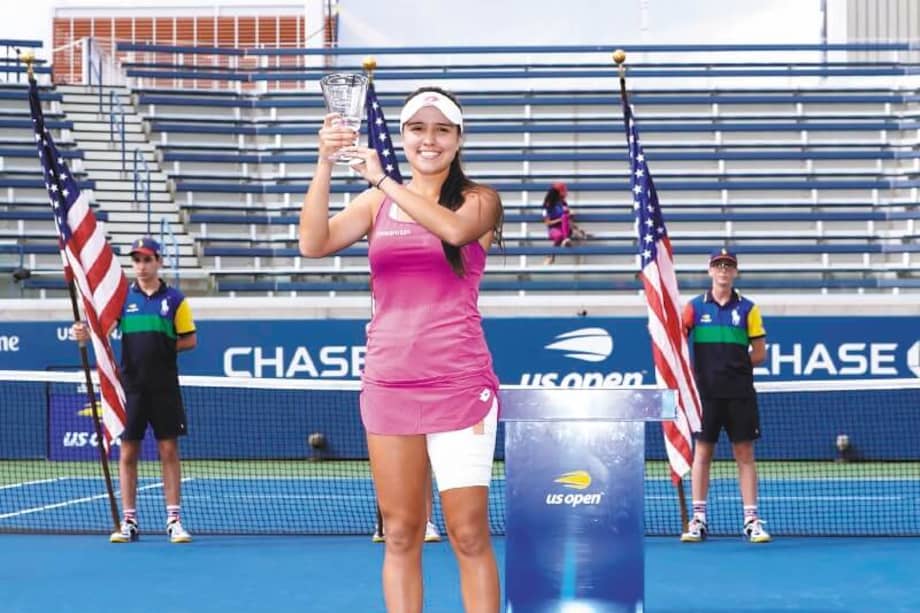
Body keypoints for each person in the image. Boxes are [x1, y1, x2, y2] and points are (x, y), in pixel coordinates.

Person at [300, 86, 502, 612]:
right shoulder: (374, 203)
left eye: (441, 130)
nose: (428, 140)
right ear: (403, 136)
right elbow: (313, 243)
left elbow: (454, 231)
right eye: (417, 128)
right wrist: (324, 164)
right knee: (401, 533)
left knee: (468, 533)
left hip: (460, 387)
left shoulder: (480, 200)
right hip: (388, 387)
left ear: (458, 140)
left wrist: (384, 177)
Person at [73, 237, 197, 544]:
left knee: (168, 450)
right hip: (131, 388)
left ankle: (173, 520)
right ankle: (129, 521)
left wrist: (164, 349)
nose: (141, 266)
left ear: (159, 262)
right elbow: (101, 331)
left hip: (165, 386)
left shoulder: (176, 300)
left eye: (146, 260)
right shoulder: (121, 300)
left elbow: (190, 339)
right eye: (136, 260)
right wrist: (83, 331)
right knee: (128, 451)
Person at [680, 248, 771, 544]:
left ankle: (751, 520)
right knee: (702, 454)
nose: (723, 270)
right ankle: (698, 519)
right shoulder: (693, 308)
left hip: (739, 393)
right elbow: (676, 343)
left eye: (728, 266)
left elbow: (759, 353)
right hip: (705, 395)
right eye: (718, 265)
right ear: (709, 271)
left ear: (735, 272)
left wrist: (731, 364)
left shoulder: (748, 309)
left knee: (744, 456)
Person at [541, 182, 585, 264]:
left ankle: (566, 239)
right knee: (558, 236)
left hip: (566, 229)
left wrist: (577, 228)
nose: (566, 193)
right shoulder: (547, 206)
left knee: (565, 216)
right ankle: (551, 256)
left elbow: (568, 220)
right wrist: (560, 220)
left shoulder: (564, 203)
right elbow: (548, 223)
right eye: (564, 190)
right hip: (553, 229)